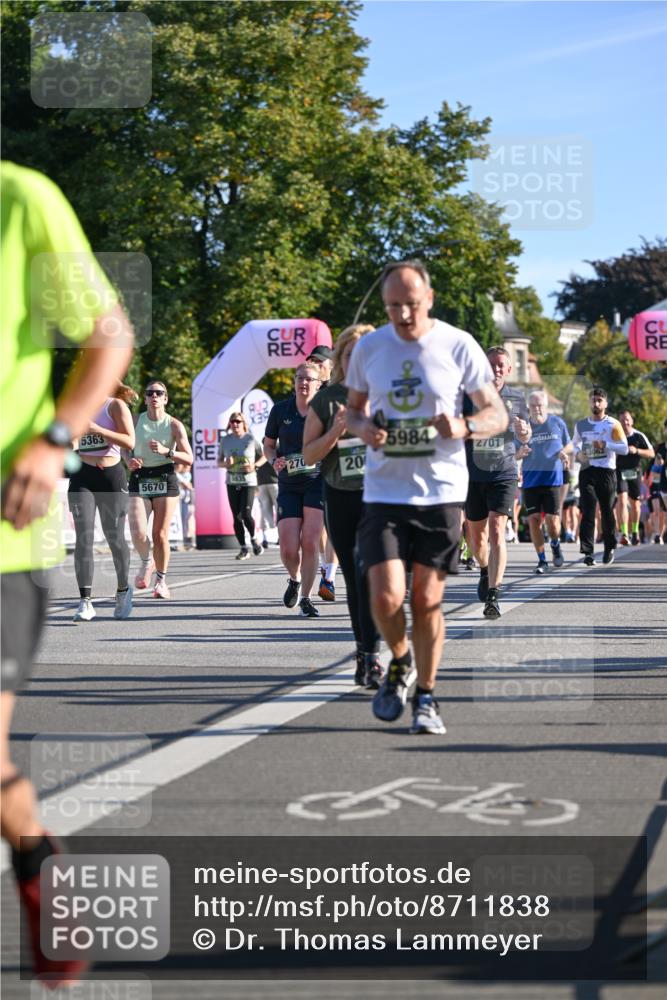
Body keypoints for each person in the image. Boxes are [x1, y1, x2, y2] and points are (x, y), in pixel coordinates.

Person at [1, 161, 134, 986]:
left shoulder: (22, 198)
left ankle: (36, 867)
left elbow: (108, 334)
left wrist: (53, 441)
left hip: (3, 536)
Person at [345, 260, 507, 735]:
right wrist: (366, 430)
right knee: (384, 596)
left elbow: (493, 412)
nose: (403, 315)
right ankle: (400, 659)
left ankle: (427, 698)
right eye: (393, 306)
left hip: (440, 491)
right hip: (384, 489)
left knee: (425, 600)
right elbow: (352, 413)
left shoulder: (458, 344)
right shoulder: (370, 348)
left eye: (411, 305)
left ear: (429, 299)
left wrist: (465, 426)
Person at [303, 323, 383, 688]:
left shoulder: (388, 394)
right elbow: (307, 455)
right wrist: (335, 431)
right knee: (355, 576)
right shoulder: (326, 399)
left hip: (383, 495)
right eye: (351, 353)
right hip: (341, 494)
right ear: (340, 358)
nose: (359, 360)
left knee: (379, 576)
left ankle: (376, 649)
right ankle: (366, 653)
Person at [464, 346, 531, 619]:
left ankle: (493, 594)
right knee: (476, 538)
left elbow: (526, 435)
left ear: (509, 369)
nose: (497, 369)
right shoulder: (469, 395)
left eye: (502, 365)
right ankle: (483, 568)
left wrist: (524, 432)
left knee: (496, 529)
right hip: (473, 473)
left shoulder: (517, 397)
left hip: (504, 472)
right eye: (492, 364)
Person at [68, 382, 137, 621]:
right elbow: (75, 439)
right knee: (83, 538)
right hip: (82, 477)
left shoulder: (115, 406)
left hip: (110, 476)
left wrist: (98, 429)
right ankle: (85, 602)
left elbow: (130, 441)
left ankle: (122, 590)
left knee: (115, 537)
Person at [263, 362, 325, 618]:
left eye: (310, 379)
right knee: (289, 548)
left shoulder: (323, 411)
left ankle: (307, 598)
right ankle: (294, 578)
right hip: (288, 483)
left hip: (316, 480)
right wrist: (273, 460)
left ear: (318, 384)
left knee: (310, 542)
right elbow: (268, 445)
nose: (304, 382)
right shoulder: (281, 410)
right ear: (294, 382)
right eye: (300, 378)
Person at [127, 380, 193, 598]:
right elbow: (122, 447)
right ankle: (148, 562)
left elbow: (189, 457)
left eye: (159, 393)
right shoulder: (135, 420)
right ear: (145, 399)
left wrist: (167, 451)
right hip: (140, 477)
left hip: (165, 476)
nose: (154, 396)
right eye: (150, 393)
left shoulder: (174, 425)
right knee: (137, 532)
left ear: (165, 398)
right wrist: (129, 459)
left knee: (160, 534)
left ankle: (161, 582)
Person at [516, 390, 572, 574]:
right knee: (533, 520)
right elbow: (515, 452)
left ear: (546, 406)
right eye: (533, 405)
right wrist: (518, 457)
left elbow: (570, 443)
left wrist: (563, 451)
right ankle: (541, 560)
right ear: (528, 407)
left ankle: (555, 544)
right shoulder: (523, 428)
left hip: (552, 479)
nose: (536, 408)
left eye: (539, 405)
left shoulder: (557, 422)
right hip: (531, 480)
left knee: (552, 521)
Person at [571, 387, 628, 566]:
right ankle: (587, 552)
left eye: (599, 401)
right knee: (587, 510)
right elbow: (574, 445)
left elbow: (624, 448)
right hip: (587, 471)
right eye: (593, 400)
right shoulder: (581, 425)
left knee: (606, 510)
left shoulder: (613, 424)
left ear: (605, 404)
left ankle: (609, 546)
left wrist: (606, 444)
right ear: (589, 402)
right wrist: (578, 454)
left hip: (606, 472)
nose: (595, 403)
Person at [217, 411, 265, 559]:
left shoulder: (250, 439)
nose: (235, 424)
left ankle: (254, 539)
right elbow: (218, 461)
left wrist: (254, 466)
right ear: (229, 425)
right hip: (232, 481)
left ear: (243, 423)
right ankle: (244, 548)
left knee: (246, 513)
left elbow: (264, 456)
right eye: (232, 422)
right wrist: (226, 463)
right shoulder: (225, 440)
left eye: (238, 421)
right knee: (236, 517)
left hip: (248, 482)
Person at [615, 410, 654, 546]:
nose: (625, 423)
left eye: (627, 420)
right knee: (622, 500)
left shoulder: (639, 436)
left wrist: (636, 450)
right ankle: (624, 533)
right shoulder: (615, 436)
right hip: (620, 472)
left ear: (631, 421)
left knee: (635, 505)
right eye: (622, 421)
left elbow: (651, 453)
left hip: (635, 472)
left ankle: (635, 532)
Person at [256, 456, 278, 547]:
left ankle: (265, 538)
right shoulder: (274, 448)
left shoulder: (256, 450)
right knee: (279, 510)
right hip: (274, 482)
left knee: (265, 511)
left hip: (262, 483)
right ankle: (277, 537)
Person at [175, 461, 194, 549]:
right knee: (180, 521)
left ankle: (186, 540)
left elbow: (186, 484)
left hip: (185, 501)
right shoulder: (177, 474)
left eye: (178, 464)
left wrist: (176, 474)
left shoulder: (187, 474)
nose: (177, 466)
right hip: (177, 501)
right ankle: (181, 540)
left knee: (185, 521)